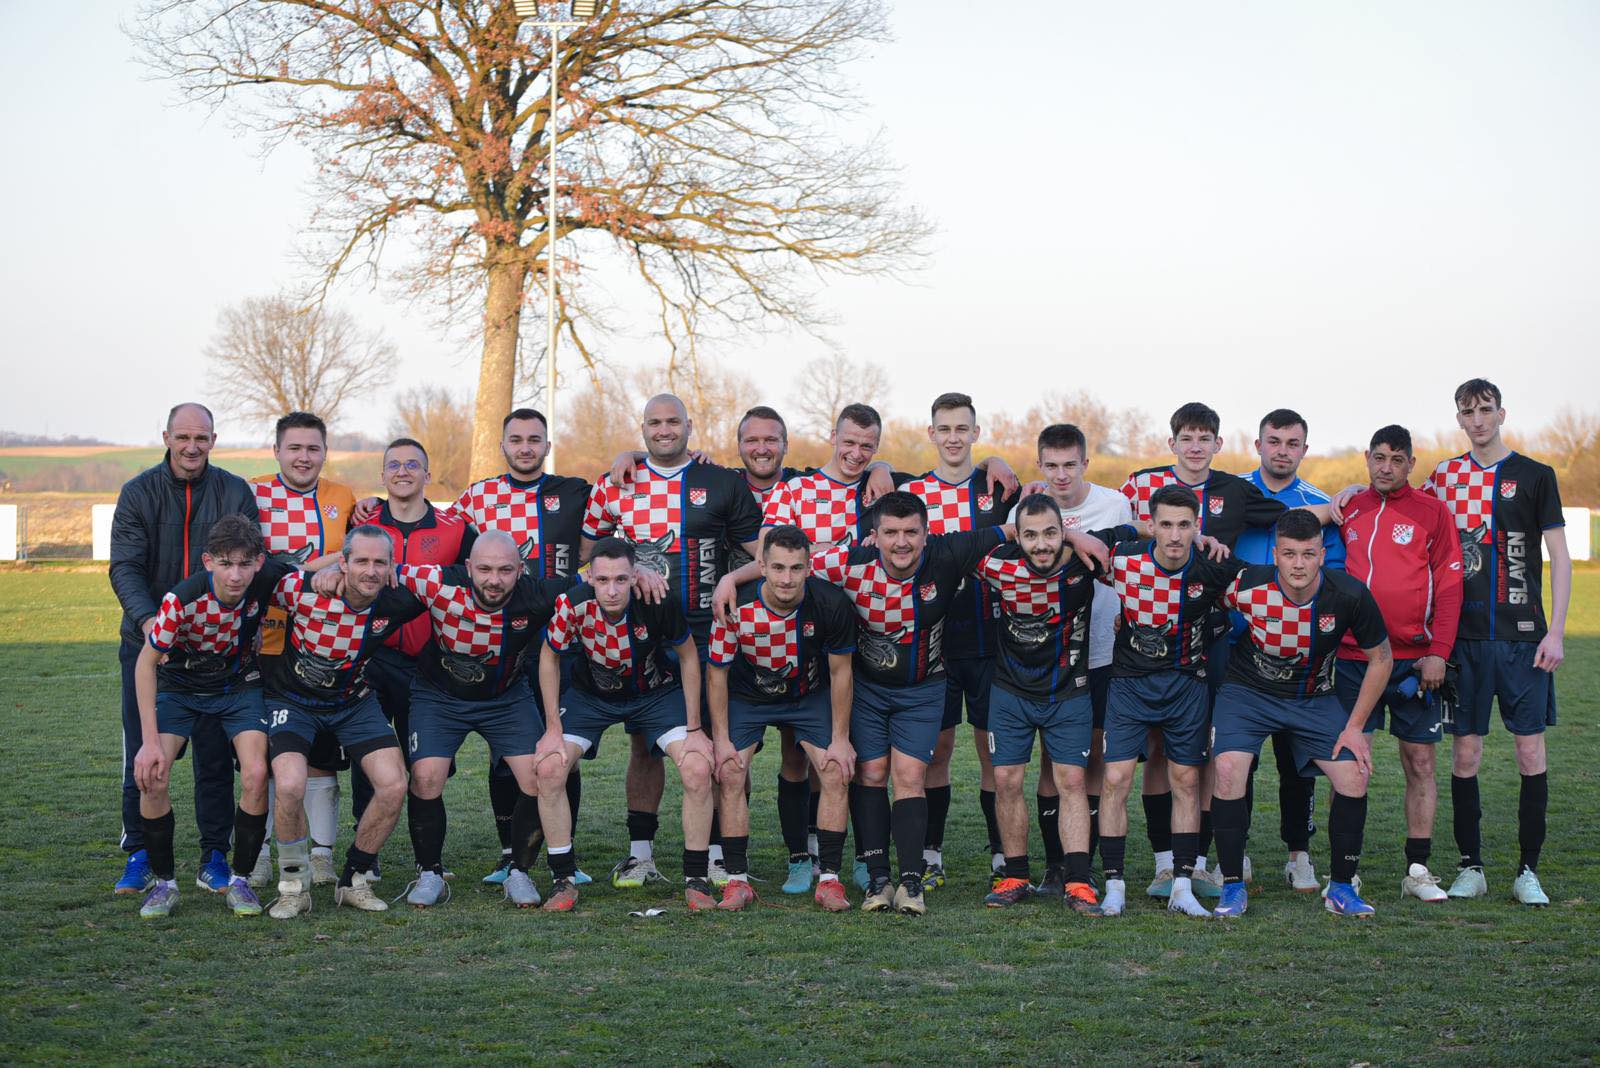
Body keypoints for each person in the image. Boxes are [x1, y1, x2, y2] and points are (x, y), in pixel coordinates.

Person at [1120, 402, 1315, 899]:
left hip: (1215, 640)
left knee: (1208, 750)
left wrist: (1339, 506)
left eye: (1204, 438)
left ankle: (1200, 860)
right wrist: (1184, 533)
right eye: (1186, 438)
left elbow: (1292, 518)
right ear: (1172, 443)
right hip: (1154, 642)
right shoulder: (1141, 484)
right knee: (1159, 752)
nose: (1195, 447)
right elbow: (1114, 524)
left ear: (1218, 444)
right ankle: (1164, 862)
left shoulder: (1234, 489)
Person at [580, 394, 761, 889]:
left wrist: (733, 578)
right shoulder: (615, 483)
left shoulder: (720, 481)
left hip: (706, 634)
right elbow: (586, 555)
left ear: (689, 425)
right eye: (655, 422)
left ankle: (721, 854)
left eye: (673, 422)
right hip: (641, 636)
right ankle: (640, 855)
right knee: (644, 746)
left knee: (719, 744)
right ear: (642, 428)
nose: (664, 430)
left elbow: (764, 550)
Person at [350, 531, 587, 909]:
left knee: (537, 777)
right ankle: (430, 873)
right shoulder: (437, 581)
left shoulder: (537, 593)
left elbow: (593, 579)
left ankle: (519, 870)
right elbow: (379, 570)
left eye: (505, 570)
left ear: (521, 570)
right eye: (485, 569)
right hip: (438, 696)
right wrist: (329, 572)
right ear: (468, 567)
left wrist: (639, 572)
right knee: (426, 776)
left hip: (506, 698)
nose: (494, 580)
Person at [806, 491, 1011, 915]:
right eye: (891, 532)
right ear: (874, 535)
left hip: (923, 688)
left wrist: (1077, 537)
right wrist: (732, 582)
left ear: (926, 533)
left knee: (911, 775)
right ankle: (878, 879)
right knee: (872, 772)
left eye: (911, 532)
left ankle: (912, 881)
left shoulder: (947, 552)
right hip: (867, 689)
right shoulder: (847, 562)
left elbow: (1013, 531)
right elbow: (787, 562)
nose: (901, 542)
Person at [1421, 379, 1568, 906]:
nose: (1478, 419)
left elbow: (1560, 557)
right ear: (1459, 419)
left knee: (1529, 752)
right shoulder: (1444, 476)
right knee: (1465, 755)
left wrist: (1556, 631)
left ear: (1501, 413)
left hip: (1525, 640)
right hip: (1463, 640)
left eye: (1486, 409)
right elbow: (1407, 515)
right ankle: (1471, 866)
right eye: (1468, 412)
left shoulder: (1535, 475)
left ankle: (1528, 871)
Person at [1209, 509, 1392, 918]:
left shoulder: (1348, 595)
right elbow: (1200, 597)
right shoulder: (1246, 583)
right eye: (1289, 554)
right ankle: (1232, 885)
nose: (1298, 564)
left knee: (1355, 775)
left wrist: (1355, 727)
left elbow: (1381, 659)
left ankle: (1341, 888)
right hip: (1248, 693)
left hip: (1313, 697)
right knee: (1227, 769)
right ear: (1275, 554)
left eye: (1308, 554)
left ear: (1322, 555)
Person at [109, 402, 255, 896]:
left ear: (213, 440)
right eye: (183, 437)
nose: (192, 446)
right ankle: (140, 854)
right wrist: (152, 623)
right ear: (167, 438)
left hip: (217, 654)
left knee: (214, 761)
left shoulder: (234, 491)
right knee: (145, 754)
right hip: (150, 648)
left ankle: (214, 856)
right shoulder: (138, 492)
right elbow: (125, 567)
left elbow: (251, 561)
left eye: (201, 438)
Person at [533, 538, 715, 911]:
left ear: (634, 577)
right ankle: (563, 880)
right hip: (591, 698)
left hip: (654, 694)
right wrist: (552, 728)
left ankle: (697, 880)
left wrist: (696, 729)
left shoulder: (657, 600)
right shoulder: (571, 603)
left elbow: (688, 657)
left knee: (698, 767)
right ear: (590, 577)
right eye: (603, 580)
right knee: (550, 768)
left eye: (620, 579)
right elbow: (549, 657)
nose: (612, 590)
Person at [129, 515, 294, 918]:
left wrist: (341, 566)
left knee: (256, 773)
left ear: (258, 562)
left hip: (239, 687)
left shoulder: (267, 579)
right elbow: (145, 664)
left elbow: (309, 572)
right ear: (208, 561)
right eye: (225, 564)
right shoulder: (181, 599)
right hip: (180, 689)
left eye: (244, 564)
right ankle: (164, 884)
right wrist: (148, 743)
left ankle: (241, 880)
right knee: (153, 774)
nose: (235, 575)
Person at [1097, 486, 1243, 918]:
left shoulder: (1213, 565)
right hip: (1129, 684)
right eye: (1165, 524)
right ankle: (1114, 886)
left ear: (1197, 526)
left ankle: (1182, 885)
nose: (1175, 535)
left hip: (1186, 685)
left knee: (1186, 781)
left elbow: (1264, 585)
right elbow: (1078, 541)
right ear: (1151, 525)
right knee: (1115, 779)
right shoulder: (1122, 558)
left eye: (1184, 525)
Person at [973, 495, 1121, 913]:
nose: (1041, 544)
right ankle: (1015, 875)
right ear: (1017, 536)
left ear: (1065, 533)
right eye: (1031, 535)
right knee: (1006, 780)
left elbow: (1137, 534)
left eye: (1051, 533)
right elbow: (951, 547)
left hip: (1068, 691)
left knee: (1072, 782)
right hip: (1011, 692)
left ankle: (1078, 882)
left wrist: (1197, 536)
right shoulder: (995, 563)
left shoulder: (1084, 561)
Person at [896, 393, 1020, 891]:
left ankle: (1000, 853)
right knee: (937, 752)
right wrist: (879, 464)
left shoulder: (999, 489)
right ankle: (931, 854)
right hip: (936, 646)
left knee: (993, 753)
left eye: (961, 429)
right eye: (944, 429)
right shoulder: (911, 492)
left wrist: (999, 461)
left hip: (993, 643)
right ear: (931, 434)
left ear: (975, 433)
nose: (953, 438)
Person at [262, 527, 417, 919]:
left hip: (352, 703)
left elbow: (459, 581)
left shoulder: (399, 597)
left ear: (391, 566)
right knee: (290, 784)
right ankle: (294, 887)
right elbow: (260, 578)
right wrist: (319, 571)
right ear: (343, 562)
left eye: (380, 562)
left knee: (394, 784)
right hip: (293, 701)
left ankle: (354, 879)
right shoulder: (301, 588)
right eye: (360, 561)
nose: (371, 571)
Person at [1336, 424, 1463, 902]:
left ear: (1411, 463)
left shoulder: (1433, 512)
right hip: (1355, 659)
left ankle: (1418, 870)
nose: (1386, 467)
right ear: (1367, 458)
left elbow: (1449, 587)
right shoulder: (1349, 507)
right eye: (1379, 458)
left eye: (1396, 459)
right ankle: (1344, 873)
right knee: (1351, 765)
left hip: (1414, 663)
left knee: (1421, 763)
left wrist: (1439, 653)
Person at [706, 524, 858, 910]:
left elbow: (841, 673)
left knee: (835, 769)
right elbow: (717, 674)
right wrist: (721, 739)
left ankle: (830, 881)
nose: (786, 578)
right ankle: (737, 882)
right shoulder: (735, 604)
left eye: (795, 568)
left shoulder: (830, 603)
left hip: (807, 695)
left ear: (809, 567)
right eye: (777, 568)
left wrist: (841, 739)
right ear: (761, 566)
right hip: (748, 696)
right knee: (730, 771)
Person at [1230, 409, 1348, 893]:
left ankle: (1299, 854)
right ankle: (1235, 854)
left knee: (1297, 762)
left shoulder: (1320, 505)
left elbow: (1335, 577)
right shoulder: (1230, 494)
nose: (1282, 450)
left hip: (1299, 654)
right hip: (1235, 648)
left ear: (1305, 449)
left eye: (1292, 443)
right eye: (1274, 441)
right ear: (1257, 444)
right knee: (1237, 757)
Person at [1020, 423, 1135, 898]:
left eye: (1070, 464)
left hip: (1105, 650)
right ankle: (1055, 864)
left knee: (1095, 758)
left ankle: (1081, 864)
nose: (1061, 475)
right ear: (1039, 466)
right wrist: (1071, 537)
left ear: (1086, 463)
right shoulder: (1027, 507)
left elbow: (1129, 557)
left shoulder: (1115, 504)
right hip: (1051, 654)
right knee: (1055, 762)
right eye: (1051, 466)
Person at [348, 438, 471, 881]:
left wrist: (418, 576)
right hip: (371, 658)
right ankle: (368, 858)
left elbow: (475, 574)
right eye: (394, 465)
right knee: (369, 760)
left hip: (428, 663)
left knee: (426, 766)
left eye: (413, 464)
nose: (403, 472)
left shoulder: (455, 528)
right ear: (382, 475)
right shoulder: (361, 522)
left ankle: (427, 860)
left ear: (428, 474)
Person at [250, 411, 356, 888]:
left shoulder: (344, 498)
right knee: (262, 758)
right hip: (264, 643)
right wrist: (313, 567)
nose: (303, 457)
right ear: (276, 450)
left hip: (326, 643)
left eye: (313, 448)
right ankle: (256, 853)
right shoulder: (251, 494)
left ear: (325, 453)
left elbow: (359, 554)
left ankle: (322, 855)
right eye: (294, 447)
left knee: (320, 754)